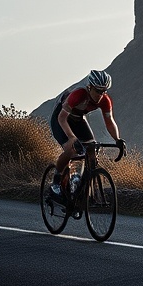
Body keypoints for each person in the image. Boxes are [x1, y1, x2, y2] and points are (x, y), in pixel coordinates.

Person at [49, 69, 124, 201]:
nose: (101, 94)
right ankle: (56, 181)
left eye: (104, 91)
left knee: (91, 151)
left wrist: (117, 139)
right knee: (71, 149)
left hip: (78, 119)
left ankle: (82, 192)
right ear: (90, 87)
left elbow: (110, 121)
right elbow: (62, 118)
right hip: (61, 119)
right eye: (98, 90)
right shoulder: (79, 95)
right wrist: (72, 137)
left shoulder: (105, 100)